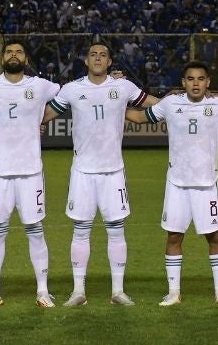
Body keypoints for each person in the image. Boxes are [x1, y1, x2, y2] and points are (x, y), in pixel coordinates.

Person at [125, 61, 218, 306]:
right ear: (183, 82)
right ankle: (174, 293)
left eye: (200, 79)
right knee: (174, 237)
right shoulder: (170, 104)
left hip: (207, 185)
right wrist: (115, 103)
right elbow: (139, 117)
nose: (195, 83)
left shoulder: (217, 105)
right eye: (190, 79)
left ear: (208, 82)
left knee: (215, 237)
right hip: (177, 184)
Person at [42, 41, 157, 307]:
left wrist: (180, 106)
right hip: (82, 172)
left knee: (116, 230)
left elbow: (153, 104)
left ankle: (118, 291)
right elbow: (46, 114)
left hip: (113, 172)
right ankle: (78, 291)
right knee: (81, 230)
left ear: (109, 61)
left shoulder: (123, 86)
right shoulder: (71, 89)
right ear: (86, 61)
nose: (97, 58)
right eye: (93, 54)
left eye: (102, 55)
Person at [0, 40, 61, 308]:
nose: (13, 55)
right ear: (2, 59)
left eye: (19, 51)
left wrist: (41, 121)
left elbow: (74, 95)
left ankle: (43, 291)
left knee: (35, 230)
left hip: (30, 172)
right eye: (9, 51)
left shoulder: (40, 86)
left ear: (26, 58)